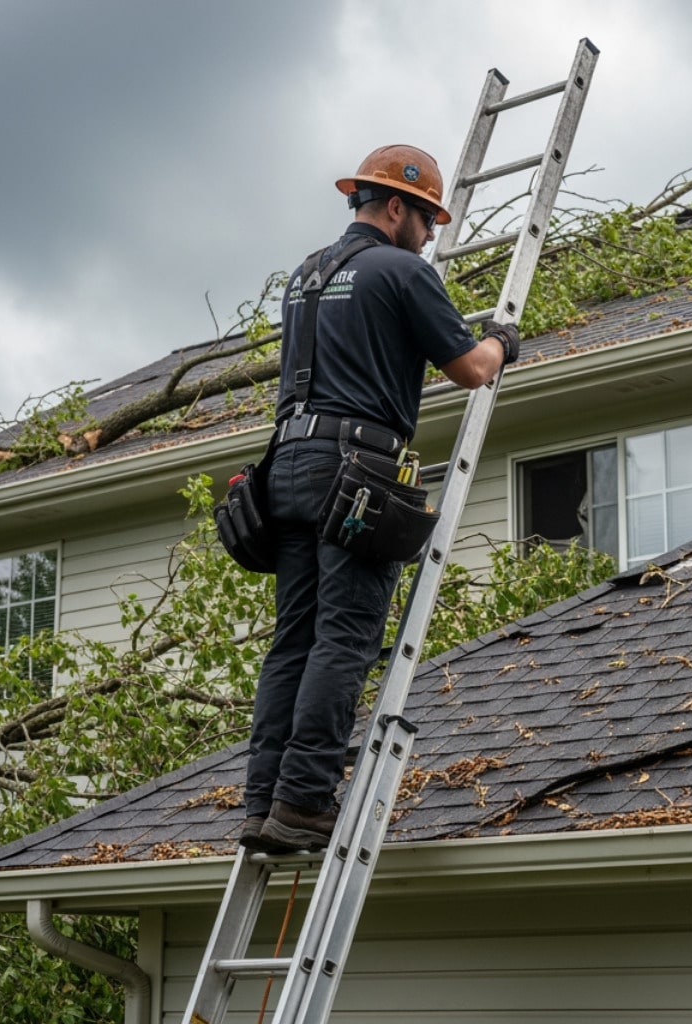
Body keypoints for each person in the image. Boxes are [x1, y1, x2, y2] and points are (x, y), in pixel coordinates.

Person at [242, 144, 519, 853]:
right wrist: (501, 341)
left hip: (288, 465)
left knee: (294, 641)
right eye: (427, 222)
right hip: (356, 467)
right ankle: (303, 803)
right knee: (345, 637)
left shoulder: (306, 275)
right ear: (397, 206)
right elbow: (468, 370)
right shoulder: (402, 270)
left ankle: (262, 802)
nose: (430, 238)